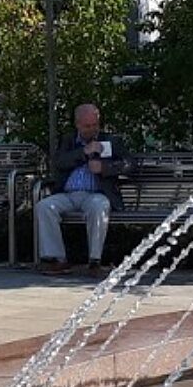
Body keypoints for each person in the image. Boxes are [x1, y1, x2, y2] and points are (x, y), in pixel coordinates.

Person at [35, 103, 128, 276]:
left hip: (96, 194)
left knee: (98, 206)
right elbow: (59, 162)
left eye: (95, 125)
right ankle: (56, 259)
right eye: (87, 126)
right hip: (68, 194)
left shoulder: (110, 140)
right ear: (77, 124)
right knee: (44, 206)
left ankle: (94, 261)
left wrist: (104, 168)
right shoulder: (69, 141)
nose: (92, 129)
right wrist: (83, 152)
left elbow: (129, 165)